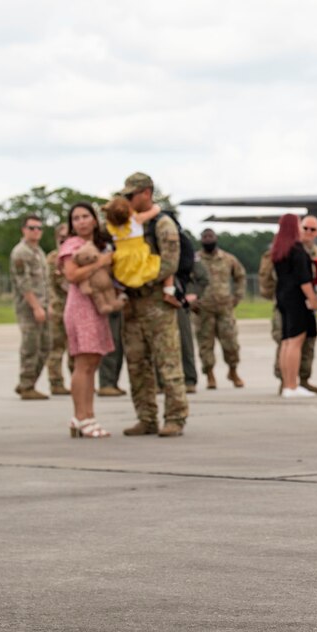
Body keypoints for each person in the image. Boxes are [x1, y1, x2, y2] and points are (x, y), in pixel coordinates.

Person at [118, 172, 188, 436]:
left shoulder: (162, 224)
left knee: (168, 361)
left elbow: (170, 262)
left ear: (146, 193)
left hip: (157, 300)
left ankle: (175, 417)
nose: (127, 200)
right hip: (133, 304)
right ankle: (146, 417)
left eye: (131, 195)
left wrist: (141, 278)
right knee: (137, 363)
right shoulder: (128, 225)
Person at [58, 202, 115, 439]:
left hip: (96, 308)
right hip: (81, 307)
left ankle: (86, 415)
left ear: (94, 219)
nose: (81, 221)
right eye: (76, 218)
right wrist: (100, 263)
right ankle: (82, 417)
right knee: (83, 364)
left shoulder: (99, 244)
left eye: (85, 216)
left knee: (92, 362)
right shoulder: (72, 246)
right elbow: (71, 275)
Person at [263, 214, 317, 393]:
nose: (302, 228)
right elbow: (303, 279)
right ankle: (291, 385)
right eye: (300, 224)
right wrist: (313, 300)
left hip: (283, 297)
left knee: (286, 342)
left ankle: (287, 385)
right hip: (296, 300)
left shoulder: (280, 248)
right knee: (295, 342)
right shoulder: (297, 249)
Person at [193, 229, 245, 389]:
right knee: (205, 345)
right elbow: (185, 279)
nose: (208, 240)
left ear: (216, 238)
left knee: (231, 343)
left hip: (224, 308)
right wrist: (191, 299)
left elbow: (240, 276)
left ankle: (233, 371)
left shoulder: (228, 259)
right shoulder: (195, 260)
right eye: (205, 237)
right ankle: (210, 375)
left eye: (210, 237)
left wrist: (237, 297)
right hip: (203, 309)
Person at [10, 215, 51, 400]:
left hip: (42, 304)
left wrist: (46, 305)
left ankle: (28, 382)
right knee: (31, 346)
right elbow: (23, 284)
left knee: (45, 345)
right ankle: (27, 385)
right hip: (29, 307)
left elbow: (44, 282)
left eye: (39, 228)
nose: (36, 231)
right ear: (23, 230)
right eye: (32, 228)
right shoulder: (21, 252)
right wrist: (36, 307)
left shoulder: (38, 251)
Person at [45, 222, 73, 395]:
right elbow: (52, 284)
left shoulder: (76, 254)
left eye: (67, 235)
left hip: (75, 309)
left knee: (75, 349)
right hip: (58, 308)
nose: (64, 239)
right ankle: (56, 383)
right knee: (56, 348)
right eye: (61, 236)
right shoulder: (53, 258)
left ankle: (79, 381)